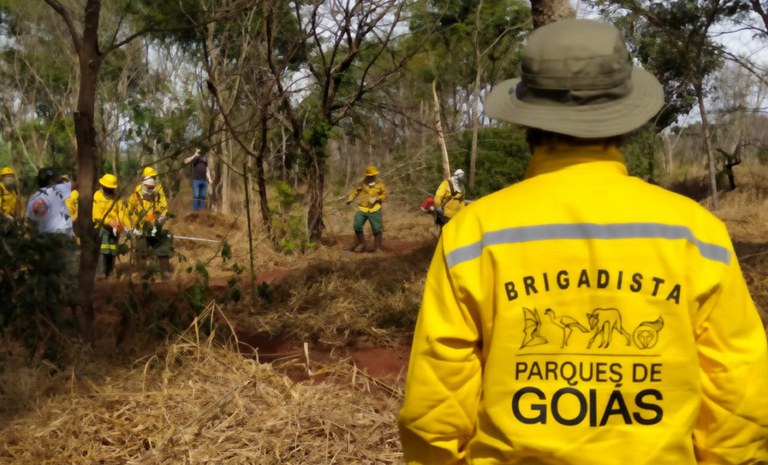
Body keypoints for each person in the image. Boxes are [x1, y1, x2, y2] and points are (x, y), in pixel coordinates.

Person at [398, 19, 768, 465]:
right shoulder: (695, 233)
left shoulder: (472, 236)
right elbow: (739, 397)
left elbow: (433, 411)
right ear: (626, 118)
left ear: (527, 119)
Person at [26, 166, 78, 304]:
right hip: (62, 240)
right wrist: (63, 180)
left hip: (43, 241)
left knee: (49, 276)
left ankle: (51, 307)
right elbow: (77, 183)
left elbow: (31, 225)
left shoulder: (32, 198)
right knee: (71, 274)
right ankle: (74, 307)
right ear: (51, 180)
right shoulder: (57, 190)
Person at [126, 174, 173, 280]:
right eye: (148, 187)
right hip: (140, 229)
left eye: (152, 188)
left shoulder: (156, 196)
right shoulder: (135, 196)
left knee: (163, 246)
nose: (150, 190)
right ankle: (142, 275)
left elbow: (163, 209)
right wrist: (132, 227)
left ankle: (165, 273)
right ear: (143, 185)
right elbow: (127, 213)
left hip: (153, 229)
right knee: (141, 249)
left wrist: (161, 219)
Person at [345, 165, 388, 253]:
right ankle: (362, 244)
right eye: (369, 176)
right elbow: (356, 191)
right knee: (357, 225)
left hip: (375, 209)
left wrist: (377, 198)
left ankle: (378, 248)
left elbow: (385, 194)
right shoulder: (363, 182)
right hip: (363, 208)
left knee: (377, 228)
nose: (370, 177)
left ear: (375, 175)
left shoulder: (380, 183)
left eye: (372, 176)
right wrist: (350, 198)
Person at [92, 173, 126, 279]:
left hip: (114, 228)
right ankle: (100, 273)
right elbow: (96, 214)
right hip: (101, 227)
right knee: (103, 249)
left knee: (112, 249)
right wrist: (108, 221)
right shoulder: (97, 195)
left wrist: (120, 223)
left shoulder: (117, 197)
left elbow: (121, 211)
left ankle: (110, 273)